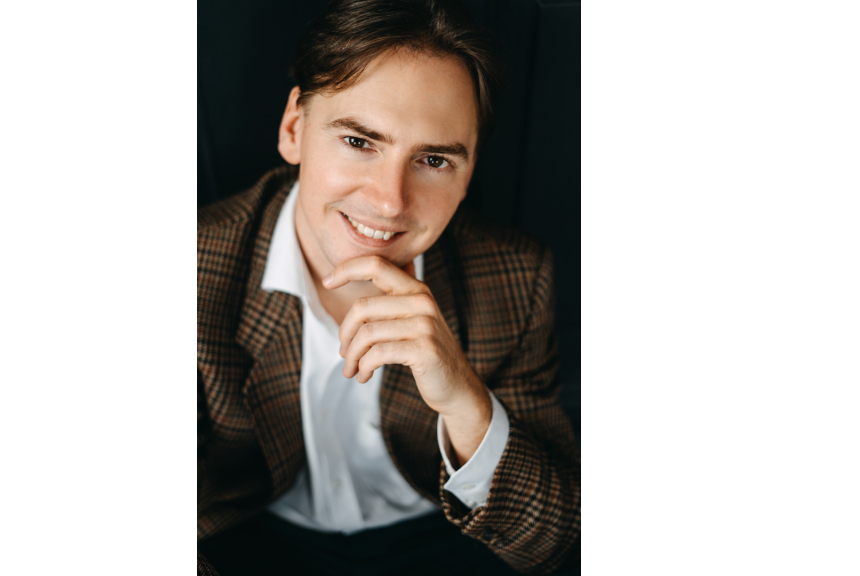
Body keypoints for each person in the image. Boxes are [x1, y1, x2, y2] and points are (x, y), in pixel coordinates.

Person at [196, 1, 581, 574]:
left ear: (470, 172)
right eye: (359, 142)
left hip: (445, 535)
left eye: (433, 159)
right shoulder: (203, 268)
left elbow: (552, 542)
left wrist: (466, 403)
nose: (390, 201)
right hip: (254, 538)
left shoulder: (516, 277)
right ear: (295, 129)